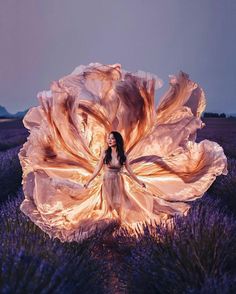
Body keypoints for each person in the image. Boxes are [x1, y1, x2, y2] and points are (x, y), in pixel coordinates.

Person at [18, 62, 228, 243]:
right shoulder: (103, 154)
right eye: (108, 138)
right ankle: (107, 234)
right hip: (105, 182)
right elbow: (97, 169)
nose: (109, 140)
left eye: (112, 139)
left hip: (120, 182)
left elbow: (129, 169)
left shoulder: (124, 154)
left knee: (121, 208)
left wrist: (140, 182)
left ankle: (118, 234)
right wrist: (88, 183)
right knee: (106, 208)